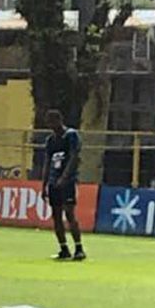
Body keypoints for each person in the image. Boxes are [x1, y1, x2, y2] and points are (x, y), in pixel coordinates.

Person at [41, 109, 87, 261]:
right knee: (56, 216)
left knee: (69, 213)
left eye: (53, 122)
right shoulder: (50, 140)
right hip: (54, 183)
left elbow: (74, 157)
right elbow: (47, 163)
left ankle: (79, 248)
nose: (51, 126)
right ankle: (63, 248)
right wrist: (45, 184)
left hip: (67, 182)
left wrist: (65, 177)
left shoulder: (71, 135)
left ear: (59, 120)